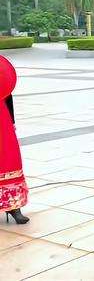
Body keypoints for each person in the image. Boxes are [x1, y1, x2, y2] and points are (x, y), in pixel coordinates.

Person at [0, 86, 30, 225]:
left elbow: (7, 95)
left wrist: (11, 121)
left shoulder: (1, 71)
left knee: (9, 159)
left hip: (2, 118)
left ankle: (13, 206)